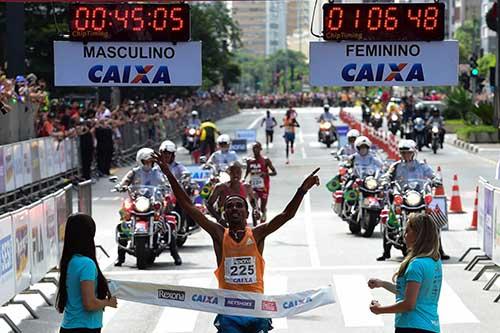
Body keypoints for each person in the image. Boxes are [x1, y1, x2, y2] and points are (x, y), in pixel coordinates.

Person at [153, 149, 320, 333]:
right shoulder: (219, 234)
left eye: (239, 205)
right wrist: (168, 173)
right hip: (230, 312)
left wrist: (302, 190)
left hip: (257, 311)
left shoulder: (257, 234)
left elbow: (286, 215)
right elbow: (189, 206)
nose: (234, 208)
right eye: (229, 206)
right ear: (224, 213)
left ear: (246, 213)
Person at [368, 213, 442, 333]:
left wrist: (379, 310)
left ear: (419, 235)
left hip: (411, 326)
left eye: (408, 231)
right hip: (431, 326)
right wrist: (382, 284)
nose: (404, 235)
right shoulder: (434, 260)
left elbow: (409, 304)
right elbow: (410, 291)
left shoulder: (416, 265)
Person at [378, 139, 449, 261]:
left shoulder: (421, 165)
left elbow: (432, 174)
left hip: (418, 196)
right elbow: (387, 175)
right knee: (390, 218)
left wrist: (436, 180)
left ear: (414, 152)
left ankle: (440, 250)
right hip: (403, 196)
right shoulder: (396, 166)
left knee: (432, 220)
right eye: (403, 152)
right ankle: (386, 252)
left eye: (408, 152)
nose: (406, 155)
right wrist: (385, 181)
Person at [114, 148, 182, 266]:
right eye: (146, 161)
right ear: (140, 161)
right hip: (138, 201)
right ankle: (120, 257)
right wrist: (121, 186)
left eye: (151, 161)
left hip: (153, 201)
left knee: (167, 225)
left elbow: (166, 181)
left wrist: (168, 186)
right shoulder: (134, 172)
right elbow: (125, 181)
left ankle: (175, 254)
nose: (149, 163)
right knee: (124, 223)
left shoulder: (158, 172)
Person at [56, 213, 118, 333]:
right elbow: (89, 303)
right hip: (85, 327)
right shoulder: (87, 264)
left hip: (69, 326)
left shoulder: (70, 261)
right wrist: (108, 302)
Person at [207, 162, 259, 226]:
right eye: (233, 173)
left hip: (241, 224)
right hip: (225, 224)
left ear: (241, 173)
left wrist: (255, 210)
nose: (236, 175)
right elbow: (209, 204)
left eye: (238, 172)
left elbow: (253, 201)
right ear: (229, 173)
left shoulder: (246, 187)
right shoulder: (220, 187)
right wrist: (219, 219)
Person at [244, 142, 277, 224]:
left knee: (262, 207)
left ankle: (264, 211)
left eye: (257, 148)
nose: (255, 150)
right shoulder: (249, 161)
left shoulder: (266, 160)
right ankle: (255, 225)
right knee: (255, 205)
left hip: (264, 186)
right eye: (254, 148)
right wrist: (243, 179)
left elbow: (274, 172)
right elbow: (247, 172)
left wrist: (265, 174)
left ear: (260, 149)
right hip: (253, 186)